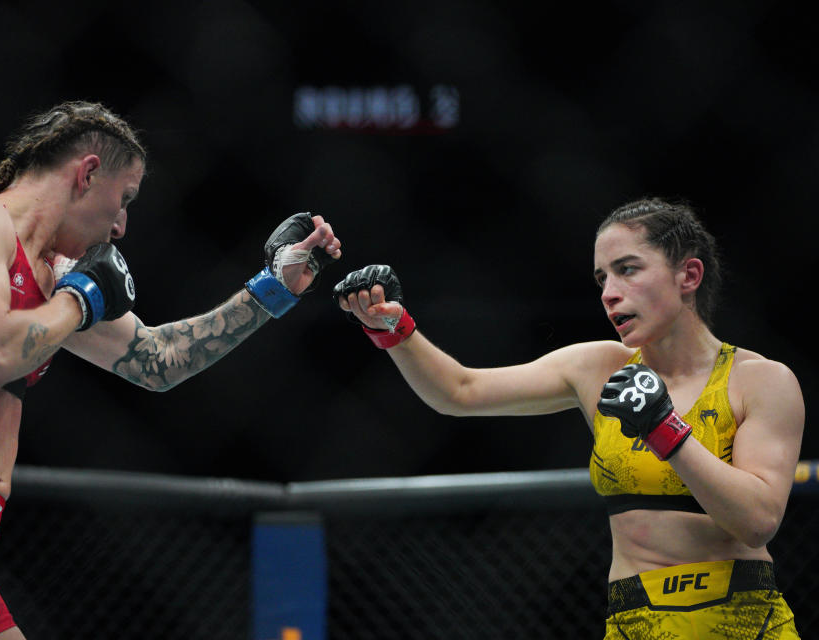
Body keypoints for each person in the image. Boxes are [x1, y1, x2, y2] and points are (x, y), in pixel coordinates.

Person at [0, 100, 342, 640]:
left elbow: (160, 361)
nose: (121, 226)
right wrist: (81, 300)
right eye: (125, 199)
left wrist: (274, 288)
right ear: (88, 173)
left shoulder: (56, 279)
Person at [333, 198, 802, 638]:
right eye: (602, 279)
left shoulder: (759, 381)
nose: (610, 294)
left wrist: (665, 431)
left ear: (689, 275)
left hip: (746, 622)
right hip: (637, 623)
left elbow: (758, 521)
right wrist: (395, 330)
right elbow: (460, 390)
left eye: (628, 270)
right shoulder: (597, 368)